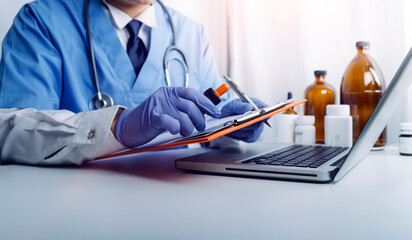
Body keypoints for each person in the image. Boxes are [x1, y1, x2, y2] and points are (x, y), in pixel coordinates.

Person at [0, 0, 267, 165]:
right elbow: (12, 131)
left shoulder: (191, 33)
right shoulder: (41, 21)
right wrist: (118, 126)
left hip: (176, 199)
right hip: (74, 203)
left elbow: (205, 127)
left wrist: (228, 129)